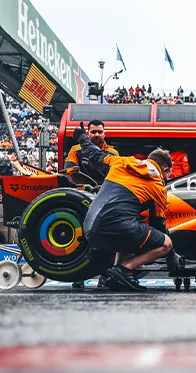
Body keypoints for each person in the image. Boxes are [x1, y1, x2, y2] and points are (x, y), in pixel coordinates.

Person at [73, 122, 177, 292]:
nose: (167, 178)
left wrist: (82, 137)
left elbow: (94, 154)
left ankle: (114, 277)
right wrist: (171, 254)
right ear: (164, 169)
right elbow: (159, 223)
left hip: (90, 229)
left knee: (130, 230)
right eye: (168, 174)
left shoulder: (121, 161)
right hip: (114, 227)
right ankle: (125, 269)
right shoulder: (157, 185)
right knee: (164, 243)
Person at [65, 119, 118, 289]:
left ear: (105, 134)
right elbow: (69, 172)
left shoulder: (112, 152)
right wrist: (84, 185)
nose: (97, 135)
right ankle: (78, 275)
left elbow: (110, 172)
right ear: (87, 134)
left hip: (105, 201)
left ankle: (105, 275)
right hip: (81, 200)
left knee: (107, 238)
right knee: (80, 240)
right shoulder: (75, 150)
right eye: (93, 132)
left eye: (99, 132)